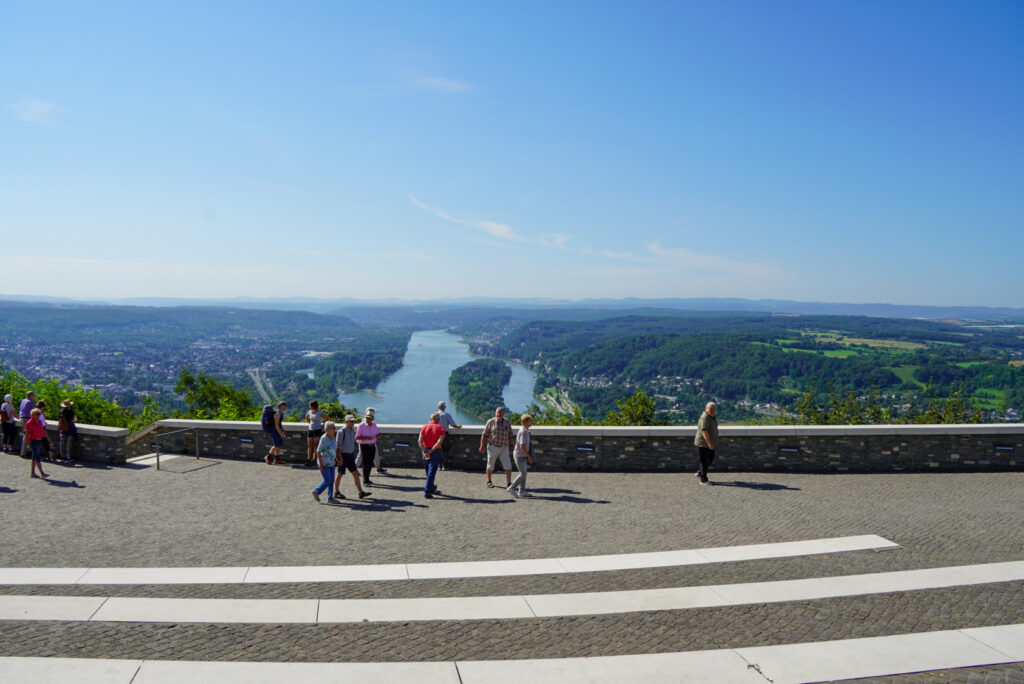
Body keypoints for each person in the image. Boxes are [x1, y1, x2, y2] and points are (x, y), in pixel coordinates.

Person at [333, 414, 371, 500]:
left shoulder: (352, 431)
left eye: (353, 421)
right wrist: (339, 458)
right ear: (346, 422)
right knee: (340, 474)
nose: (353, 423)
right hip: (343, 455)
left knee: (355, 473)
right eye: (351, 421)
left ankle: (360, 492)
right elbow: (338, 446)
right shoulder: (341, 432)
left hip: (350, 455)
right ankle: (336, 492)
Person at [479, 406, 514, 489]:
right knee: (490, 465)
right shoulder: (491, 422)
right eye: (498, 413)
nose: (499, 414)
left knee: (508, 465)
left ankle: (509, 483)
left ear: (503, 414)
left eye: (501, 413)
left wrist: (511, 445)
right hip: (492, 446)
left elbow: (510, 435)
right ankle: (489, 481)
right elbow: (484, 434)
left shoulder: (507, 422)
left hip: (504, 447)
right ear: (495, 413)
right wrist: (482, 445)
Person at [418, 411, 445, 499]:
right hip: (435, 452)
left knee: (428, 472)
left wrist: (425, 451)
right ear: (438, 419)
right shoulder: (441, 428)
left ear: (430, 419)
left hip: (425, 450)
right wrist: (431, 451)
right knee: (431, 473)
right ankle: (427, 492)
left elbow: (420, 441)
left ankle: (432, 487)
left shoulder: (424, 427)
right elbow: (439, 442)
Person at [311, 421, 338, 503]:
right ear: (328, 429)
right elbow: (318, 451)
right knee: (327, 480)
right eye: (333, 428)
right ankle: (316, 491)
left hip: (331, 462)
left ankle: (330, 498)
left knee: (332, 480)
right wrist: (321, 464)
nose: (334, 429)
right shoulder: (324, 438)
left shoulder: (332, 437)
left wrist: (336, 458)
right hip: (324, 463)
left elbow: (334, 448)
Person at [508, 414, 534, 498]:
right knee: (523, 474)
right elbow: (522, 445)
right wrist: (529, 456)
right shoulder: (523, 432)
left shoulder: (524, 430)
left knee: (524, 473)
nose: (531, 422)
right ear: (526, 422)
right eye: (530, 420)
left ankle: (522, 491)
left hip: (521, 455)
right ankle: (512, 487)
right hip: (520, 455)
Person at [695, 402, 719, 485]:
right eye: (710, 409)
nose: (712, 410)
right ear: (706, 408)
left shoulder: (712, 417)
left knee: (711, 458)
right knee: (704, 461)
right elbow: (704, 431)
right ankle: (703, 480)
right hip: (703, 443)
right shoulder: (705, 417)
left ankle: (700, 472)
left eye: (713, 409)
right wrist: (709, 443)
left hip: (710, 443)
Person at [356, 409, 380, 486]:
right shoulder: (361, 426)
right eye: (367, 418)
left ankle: (367, 479)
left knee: (370, 463)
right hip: (364, 446)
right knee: (365, 463)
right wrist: (366, 438)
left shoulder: (374, 425)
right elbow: (357, 437)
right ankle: (365, 480)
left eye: (370, 418)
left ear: (372, 419)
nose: (368, 419)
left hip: (372, 445)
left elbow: (376, 434)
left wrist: (377, 437)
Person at [436, 400, 461, 470]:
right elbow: (453, 425)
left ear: (438, 407)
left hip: (436, 435)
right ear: (444, 407)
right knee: (445, 450)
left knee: (437, 450)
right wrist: (458, 426)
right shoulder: (447, 415)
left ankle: (439, 465)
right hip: (444, 434)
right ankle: (444, 465)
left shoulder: (435, 415)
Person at [24, 408, 49, 479]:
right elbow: (27, 435)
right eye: (37, 414)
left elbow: (43, 431)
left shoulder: (39, 421)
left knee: (34, 457)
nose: (38, 415)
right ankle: (42, 473)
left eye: (39, 414)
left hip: (38, 440)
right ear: (33, 415)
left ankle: (32, 473)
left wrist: (49, 440)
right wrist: (28, 444)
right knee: (37, 456)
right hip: (33, 441)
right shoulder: (29, 423)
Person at [305, 400, 324, 467]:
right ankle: (308, 459)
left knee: (315, 446)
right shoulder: (310, 412)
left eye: (310, 405)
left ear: (313, 406)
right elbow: (306, 416)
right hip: (310, 429)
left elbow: (327, 418)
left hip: (317, 430)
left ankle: (314, 459)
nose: (309, 406)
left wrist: (323, 425)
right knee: (310, 446)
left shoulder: (319, 412)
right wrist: (309, 423)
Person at [18, 391, 36, 457]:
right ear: (30, 396)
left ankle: (25, 451)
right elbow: (33, 413)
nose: (34, 397)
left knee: (25, 435)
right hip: (27, 419)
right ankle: (24, 452)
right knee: (27, 436)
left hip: (22, 418)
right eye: (33, 395)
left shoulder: (23, 400)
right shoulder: (30, 402)